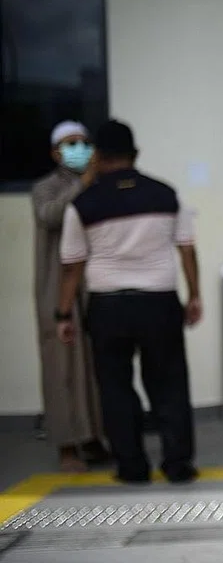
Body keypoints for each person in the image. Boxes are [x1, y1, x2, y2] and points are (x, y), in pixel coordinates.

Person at [56, 119, 202, 485]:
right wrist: (194, 295)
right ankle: (177, 464)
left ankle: (132, 467)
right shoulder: (166, 194)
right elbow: (187, 249)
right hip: (159, 301)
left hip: (108, 306)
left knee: (115, 388)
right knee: (169, 385)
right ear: (135, 154)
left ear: (97, 156)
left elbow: (72, 267)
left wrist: (63, 314)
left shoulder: (82, 204)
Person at [31, 121, 109, 472]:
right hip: (56, 287)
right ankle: (66, 447)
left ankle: (93, 439)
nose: (79, 149)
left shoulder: (99, 183)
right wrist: (83, 184)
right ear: (55, 153)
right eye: (70, 143)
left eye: (84, 142)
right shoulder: (45, 188)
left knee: (93, 365)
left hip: (92, 284)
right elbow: (50, 216)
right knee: (61, 367)